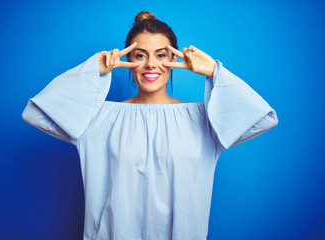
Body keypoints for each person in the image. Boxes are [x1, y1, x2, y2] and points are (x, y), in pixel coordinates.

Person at [22, 11, 278, 240]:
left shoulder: (205, 119)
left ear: (176, 59)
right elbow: (35, 113)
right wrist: (92, 71)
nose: (151, 65)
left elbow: (264, 119)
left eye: (161, 55)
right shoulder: (97, 118)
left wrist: (214, 72)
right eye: (140, 55)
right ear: (127, 60)